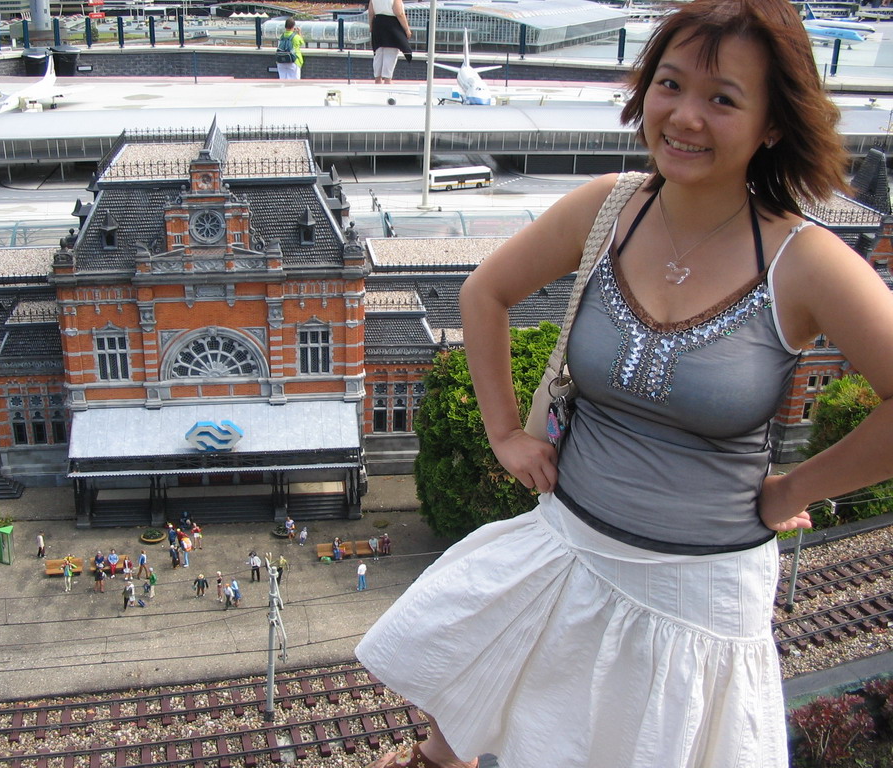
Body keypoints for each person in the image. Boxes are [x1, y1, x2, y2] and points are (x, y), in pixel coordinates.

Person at [355, 2, 893, 766]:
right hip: (565, 555)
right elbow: (484, 293)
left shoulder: (803, 261)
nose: (684, 116)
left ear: (772, 124)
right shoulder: (611, 209)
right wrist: (505, 434)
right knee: (462, 741)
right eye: (670, 84)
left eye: (723, 99)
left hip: (695, 602)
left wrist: (795, 489)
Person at [368, 0, 412, 84]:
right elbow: (399, 13)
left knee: (379, 52)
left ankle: (378, 79)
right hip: (392, 24)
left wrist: (371, 25)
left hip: (378, 23)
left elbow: (371, 13)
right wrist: (407, 29)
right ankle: (387, 79)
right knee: (391, 52)